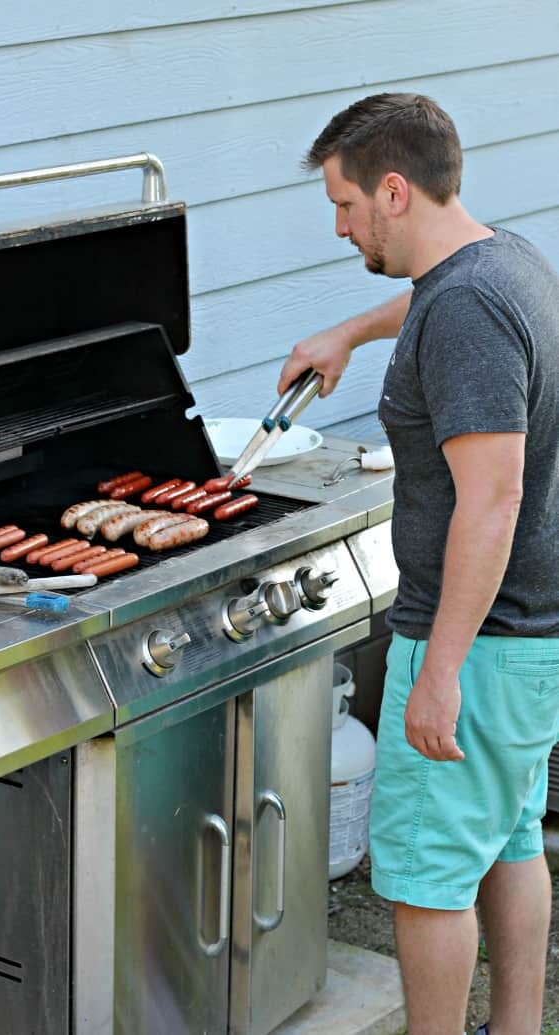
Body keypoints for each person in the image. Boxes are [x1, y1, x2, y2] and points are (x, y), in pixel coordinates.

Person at [278, 93, 559, 1035]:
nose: (340, 224)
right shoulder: (498, 258)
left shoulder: (471, 308)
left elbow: (493, 496)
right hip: (525, 643)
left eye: (345, 205)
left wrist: (437, 673)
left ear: (394, 191)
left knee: (430, 879)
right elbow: (431, 295)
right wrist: (349, 335)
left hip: (475, 645)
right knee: (509, 842)